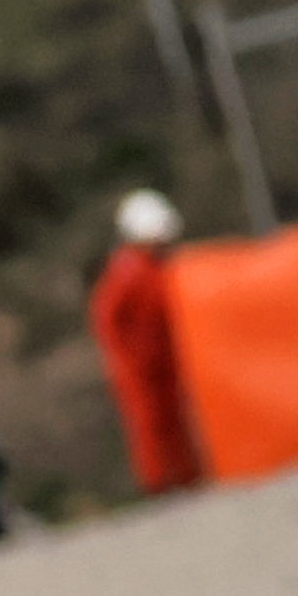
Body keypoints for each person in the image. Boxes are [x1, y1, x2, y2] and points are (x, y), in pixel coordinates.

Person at [89, 190, 203, 499]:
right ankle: (160, 482)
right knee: (150, 422)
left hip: (164, 356)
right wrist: (130, 356)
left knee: (175, 416)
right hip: (139, 365)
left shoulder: (157, 267)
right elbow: (107, 319)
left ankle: (187, 476)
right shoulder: (128, 270)